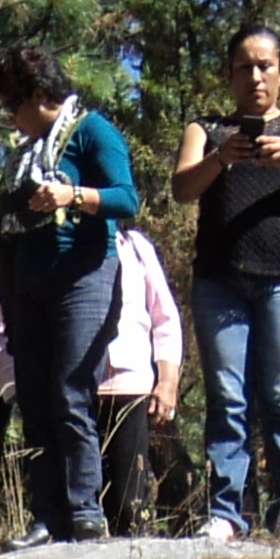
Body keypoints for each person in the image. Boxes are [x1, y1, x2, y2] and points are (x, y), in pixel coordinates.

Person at [171, 23, 280, 546]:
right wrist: (222, 157)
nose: (255, 76)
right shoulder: (207, 129)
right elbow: (182, 188)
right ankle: (226, 512)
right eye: (244, 67)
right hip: (220, 283)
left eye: (265, 66)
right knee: (227, 397)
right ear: (229, 74)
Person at [0, 42, 136, 547]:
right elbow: (3, 217)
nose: (10, 118)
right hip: (27, 280)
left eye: (12, 104)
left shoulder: (92, 131)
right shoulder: (25, 156)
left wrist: (74, 195)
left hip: (83, 276)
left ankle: (85, 513)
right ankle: (46, 518)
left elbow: (127, 198)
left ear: (40, 94)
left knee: (70, 392)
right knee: (36, 398)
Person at [97, 225, 186, 534]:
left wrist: (167, 382)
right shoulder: (57, 239)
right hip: (75, 390)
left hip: (130, 386)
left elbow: (165, 318)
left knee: (128, 502)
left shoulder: (134, 246)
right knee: (83, 503)